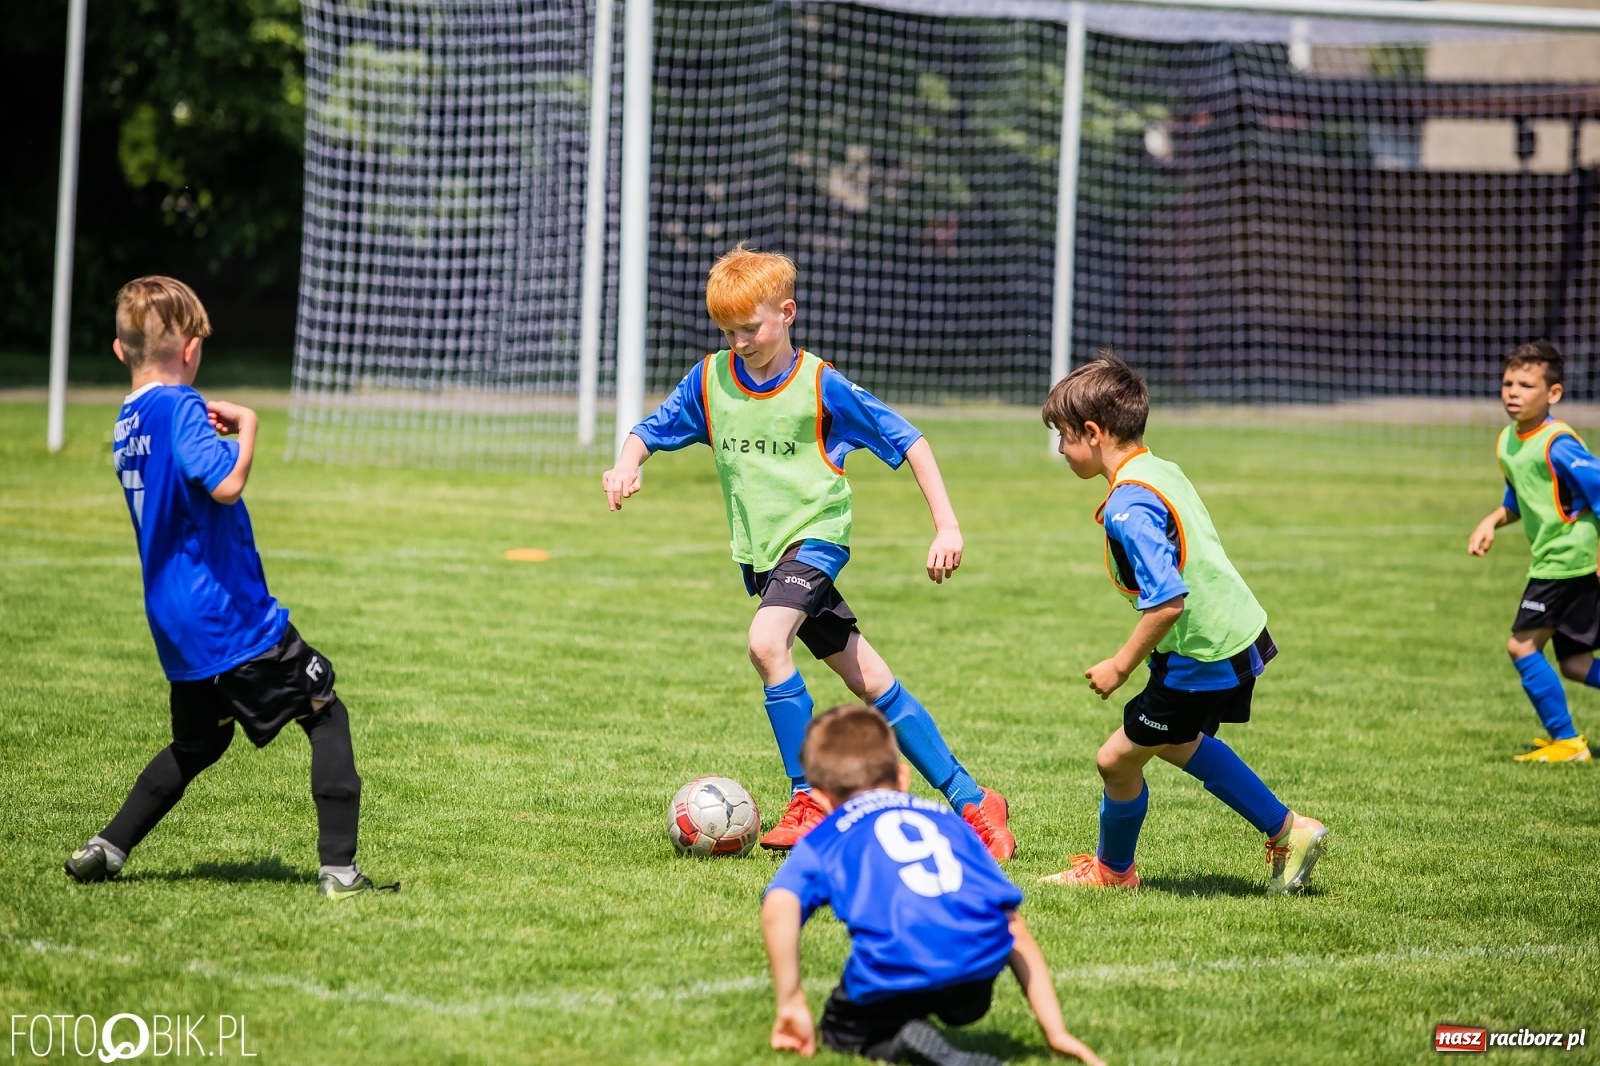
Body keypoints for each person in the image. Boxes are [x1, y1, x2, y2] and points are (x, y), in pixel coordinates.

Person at [601, 244, 1013, 859]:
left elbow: (911, 441)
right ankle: (973, 799)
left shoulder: (821, 385)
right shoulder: (711, 381)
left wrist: (947, 526)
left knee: (767, 643)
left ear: (787, 313)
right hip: (764, 558)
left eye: (751, 328)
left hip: (815, 539)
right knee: (869, 679)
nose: (740, 342)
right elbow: (649, 430)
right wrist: (625, 465)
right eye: (728, 331)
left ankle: (809, 798)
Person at [64, 276, 395, 899]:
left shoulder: (127, 420)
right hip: (226, 614)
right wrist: (248, 427)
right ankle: (340, 872)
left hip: (173, 620)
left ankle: (106, 848)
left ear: (119, 350)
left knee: (201, 740)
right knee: (324, 708)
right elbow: (225, 485)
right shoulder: (181, 407)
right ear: (191, 349)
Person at [1038, 353, 1327, 893]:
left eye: (1063, 436)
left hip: (1201, 654)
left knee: (1114, 761)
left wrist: (1120, 666)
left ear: (1093, 433)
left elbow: (1168, 600)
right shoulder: (1158, 468)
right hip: (1234, 636)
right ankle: (1286, 828)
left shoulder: (1128, 506)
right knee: (1175, 741)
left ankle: (1115, 871)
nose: (1059, 449)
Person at [761, 704, 1103, 1066]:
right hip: (975, 981)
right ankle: (925, 1022)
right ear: (903, 778)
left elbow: (779, 904)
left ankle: (902, 1042)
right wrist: (1056, 1032)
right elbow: (1012, 923)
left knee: (840, 1031)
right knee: (951, 988)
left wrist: (791, 1001)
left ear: (820, 800)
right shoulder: (952, 823)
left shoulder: (827, 836)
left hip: (898, 969)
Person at [1468, 340, 1597, 763]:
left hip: (1568, 560)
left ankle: (1568, 742)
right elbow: (1521, 497)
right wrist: (1491, 521)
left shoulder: (1558, 443)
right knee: (1576, 664)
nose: (1513, 392)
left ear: (1553, 393)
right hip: (1554, 560)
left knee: (1521, 647)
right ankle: (1567, 742)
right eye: (1508, 383)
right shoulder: (1508, 440)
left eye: (1526, 385)